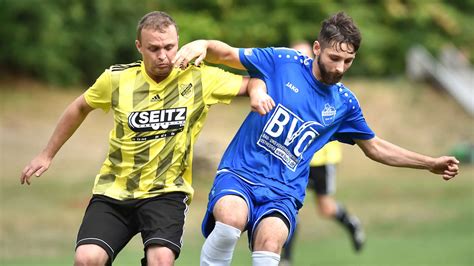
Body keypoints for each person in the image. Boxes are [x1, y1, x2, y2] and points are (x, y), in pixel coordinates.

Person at [173, 11, 459, 266]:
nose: (339, 68)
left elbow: (375, 147)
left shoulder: (345, 103)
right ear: (317, 48)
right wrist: (204, 45)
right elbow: (227, 55)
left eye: (348, 61)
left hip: (284, 191)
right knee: (230, 221)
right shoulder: (283, 61)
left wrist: (429, 163)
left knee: (271, 244)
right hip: (241, 172)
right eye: (334, 58)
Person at [19, 11, 273, 266]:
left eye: (169, 47)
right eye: (153, 48)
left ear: (178, 42)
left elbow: (254, 81)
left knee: (161, 259)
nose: (162, 55)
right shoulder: (117, 78)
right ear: (139, 47)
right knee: (86, 259)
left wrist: (257, 94)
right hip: (114, 191)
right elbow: (79, 107)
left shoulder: (199, 77)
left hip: (166, 192)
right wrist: (47, 154)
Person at [279, 42, 365, 266]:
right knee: (285, 204)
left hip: (323, 160)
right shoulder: (290, 83)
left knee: (325, 208)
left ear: (315, 54)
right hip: (294, 159)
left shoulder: (330, 90)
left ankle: (351, 223)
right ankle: (286, 258)